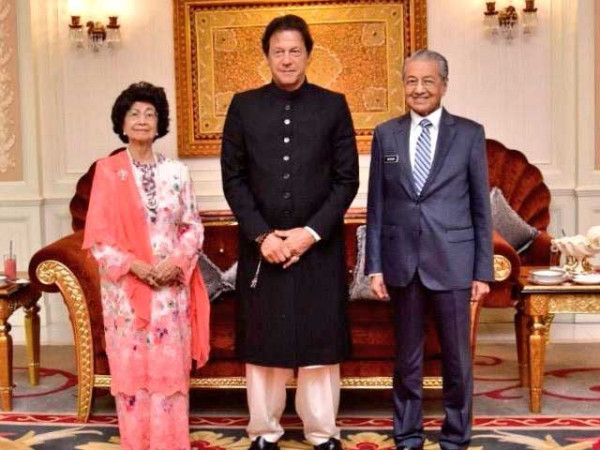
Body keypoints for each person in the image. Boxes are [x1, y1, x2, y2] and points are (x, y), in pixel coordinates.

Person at [221, 14, 359, 450]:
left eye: (294, 51)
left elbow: (346, 181)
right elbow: (233, 180)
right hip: (262, 249)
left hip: (318, 248)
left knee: (320, 343)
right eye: (278, 51)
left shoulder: (333, 105)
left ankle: (323, 432)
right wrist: (263, 237)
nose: (286, 59)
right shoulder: (243, 106)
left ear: (308, 54)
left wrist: (309, 234)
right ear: (266, 56)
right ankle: (264, 431)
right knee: (265, 343)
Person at [365, 49, 493, 450]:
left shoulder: (469, 134)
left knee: (457, 359)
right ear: (403, 85)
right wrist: (374, 266)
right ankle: (407, 435)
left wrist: (482, 271)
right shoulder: (386, 134)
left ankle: (456, 436)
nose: (418, 89)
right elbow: (376, 206)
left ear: (444, 85)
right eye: (411, 81)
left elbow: (480, 207)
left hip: (454, 262)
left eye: (427, 81)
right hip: (401, 264)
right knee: (407, 359)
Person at [83, 82, 210, 450]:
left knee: (169, 373)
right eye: (134, 114)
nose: (142, 120)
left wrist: (176, 263)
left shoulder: (177, 172)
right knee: (133, 374)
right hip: (126, 291)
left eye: (150, 114)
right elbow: (99, 238)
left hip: (170, 289)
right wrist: (136, 266)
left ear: (159, 124)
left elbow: (192, 226)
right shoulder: (108, 171)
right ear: (122, 124)